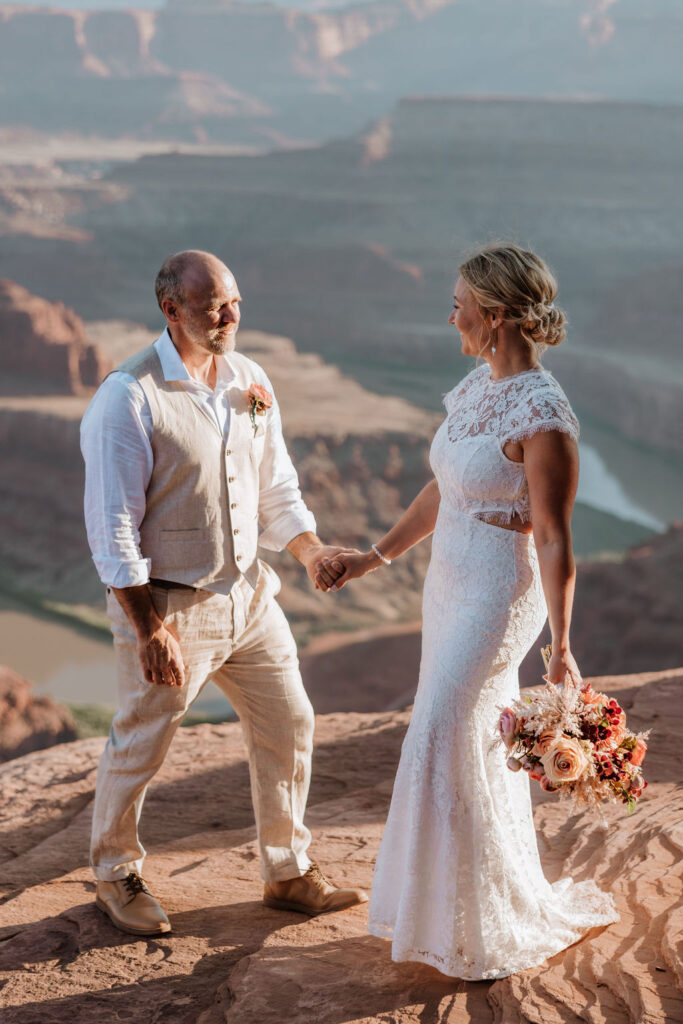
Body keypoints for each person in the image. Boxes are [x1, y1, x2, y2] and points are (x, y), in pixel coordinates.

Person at [315, 242, 620, 979]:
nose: (448, 313)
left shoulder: (543, 414)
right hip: (445, 581)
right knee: (453, 735)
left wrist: (560, 644)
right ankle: (445, 908)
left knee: (445, 729)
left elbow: (551, 535)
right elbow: (440, 490)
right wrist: (372, 558)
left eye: (458, 303)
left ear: (498, 314)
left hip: (496, 592)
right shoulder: (473, 386)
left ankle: (478, 923)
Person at [81, 249, 367, 936]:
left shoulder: (249, 378)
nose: (230, 314)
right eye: (214, 305)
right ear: (170, 309)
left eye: (234, 300)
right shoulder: (128, 396)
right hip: (171, 606)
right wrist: (150, 629)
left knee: (290, 721)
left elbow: (275, 487)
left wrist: (309, 551)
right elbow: (112, 527)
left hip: (250, 598)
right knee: (142, 740)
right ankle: (115, 875)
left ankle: (288, 872)